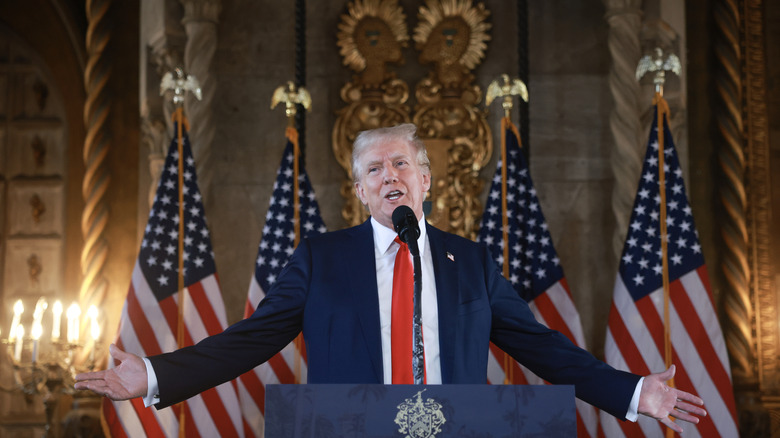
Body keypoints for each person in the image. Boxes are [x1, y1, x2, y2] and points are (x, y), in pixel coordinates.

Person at [75, 123, 706, 433]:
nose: (389, 176)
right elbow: (250, 339)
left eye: (401, 163)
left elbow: (544, 349)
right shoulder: (321, 260)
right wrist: (155, 374)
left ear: (426, 180)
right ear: (359, 191)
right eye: (374, 169)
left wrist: (633, 393)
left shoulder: (474, 264)